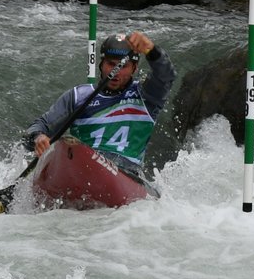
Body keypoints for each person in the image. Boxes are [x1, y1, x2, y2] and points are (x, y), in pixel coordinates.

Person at [25, 32, 175, 181]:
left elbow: (166, 76)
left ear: (134, 68)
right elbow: (40, 125)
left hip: (126, 173)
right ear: (101, 64)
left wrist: (151, 51)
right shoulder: (79, 96)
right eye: (110, 64)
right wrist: (38, 138)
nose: (115, 72)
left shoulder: (146, 96)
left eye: (123, 66)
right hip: (81, 168)